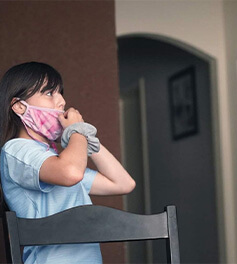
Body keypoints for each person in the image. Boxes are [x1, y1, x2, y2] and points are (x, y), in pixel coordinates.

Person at [0, 62, 136, 264]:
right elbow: (71, 173)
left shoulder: (56, 159)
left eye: (60, 93)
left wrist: (86, 136)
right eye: (49, 93)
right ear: (19, 106)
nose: (61, 101)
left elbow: (123, 183)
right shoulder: (16, 150)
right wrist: (77, 132)